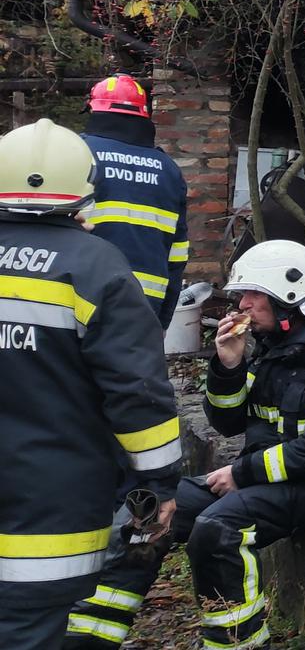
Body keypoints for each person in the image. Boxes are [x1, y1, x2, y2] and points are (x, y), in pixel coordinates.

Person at [67, 239, 305, 650]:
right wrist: (229, 365)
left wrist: (240, 473)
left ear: (289, 297)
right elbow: (228, 421)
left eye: (253, 294)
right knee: (144, 512)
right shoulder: (276, 345)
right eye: (241, 294)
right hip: (265, 477)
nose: (242, 305)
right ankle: (87, 638)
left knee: (217, 531)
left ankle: (238, 644)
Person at [0, 119, 180, 650]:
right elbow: (137, 393)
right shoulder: (96, 268)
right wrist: (159, 486)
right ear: (84, 192)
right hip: (48, 512)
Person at [80, 75, 190, 325]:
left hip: (81, 298)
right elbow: (177, 254)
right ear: (143, 115)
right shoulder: (169, 170)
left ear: (94, 110)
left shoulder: (76, 153)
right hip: (144, 308)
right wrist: (162, 321)